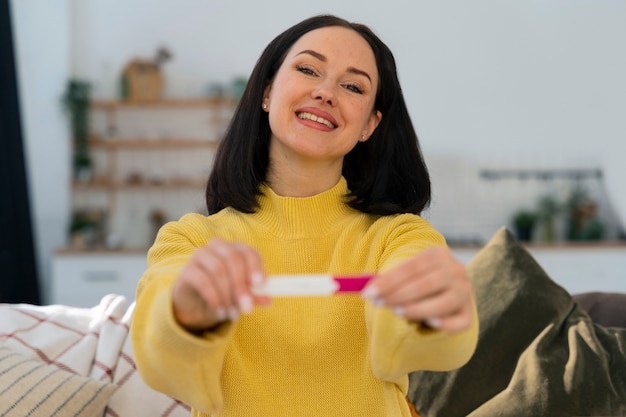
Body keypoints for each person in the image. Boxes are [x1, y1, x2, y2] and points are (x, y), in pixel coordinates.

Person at [131, 14, 479, 417]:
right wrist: (184, 311)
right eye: (308, 69)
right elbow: (160, 362)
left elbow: (410, 347)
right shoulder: (190, 239)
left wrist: (436, 310)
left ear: (369, 124)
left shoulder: (401, 237)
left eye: (352, 86)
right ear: (267, 92)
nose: (325, 92)